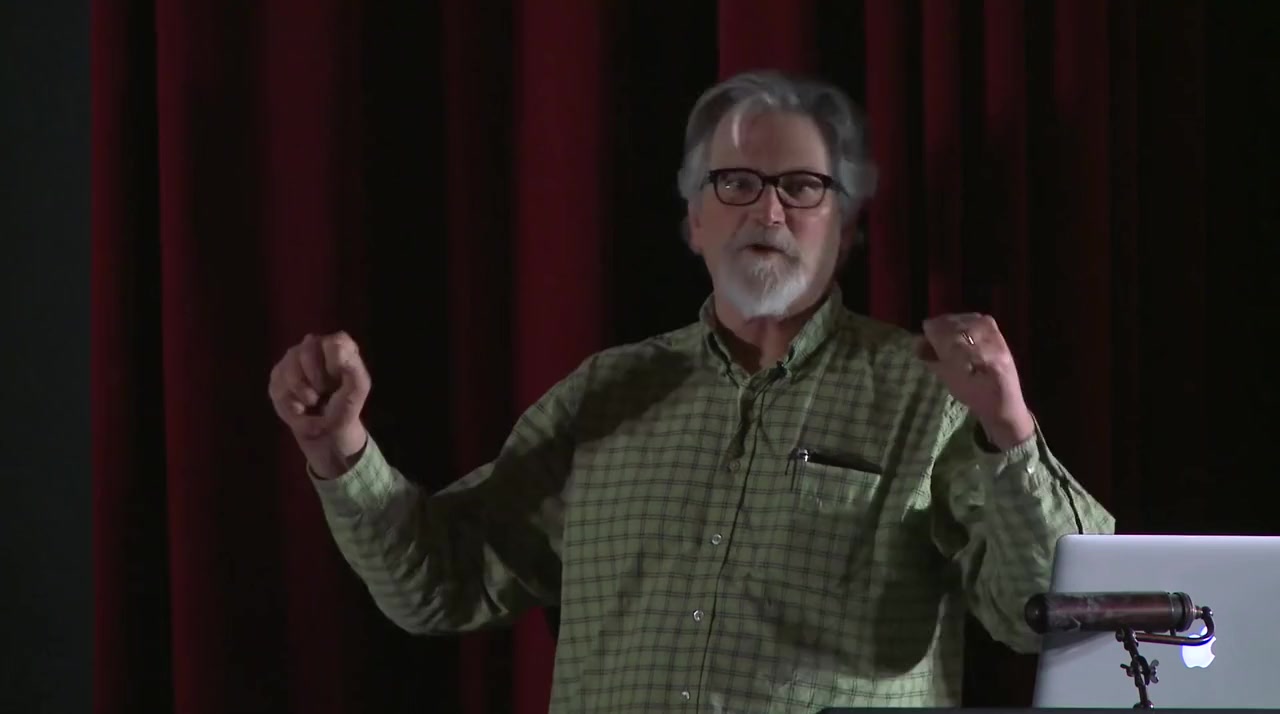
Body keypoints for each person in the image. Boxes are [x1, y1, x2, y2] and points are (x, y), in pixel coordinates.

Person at [267, 70, 1115, 712]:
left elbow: (1049, 612)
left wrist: (1009, 428)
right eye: (736, 183)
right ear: (694, 220)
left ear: (847, 226)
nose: (768, 213)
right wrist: (337, 450)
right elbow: (439, 585)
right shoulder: (605, 395)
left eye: (802, 187)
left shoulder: (927, 396)